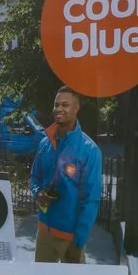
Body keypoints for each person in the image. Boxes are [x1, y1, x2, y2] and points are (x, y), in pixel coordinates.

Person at [30, 86, 102, 264]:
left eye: (65, 105)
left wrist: (79, 242)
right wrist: (38, 193)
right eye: (56, 105)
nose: (59, 109)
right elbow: (34, 177)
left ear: (76, 108)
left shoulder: (89, 150)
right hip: (44, 233)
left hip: (71, 238)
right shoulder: (45, 143)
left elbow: (91, 200)